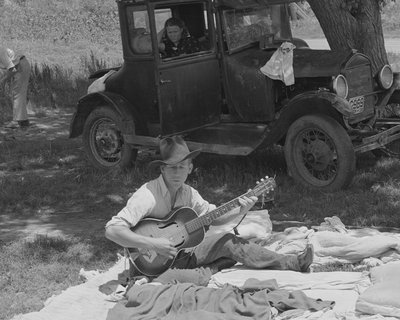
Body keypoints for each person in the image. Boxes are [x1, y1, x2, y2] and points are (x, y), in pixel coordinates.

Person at [105, 135, 314, 283]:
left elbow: (212, 218)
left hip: (183, 254)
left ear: (190, 168)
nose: (177, 172)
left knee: (230, 242)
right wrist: (153, 243)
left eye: (182, 167)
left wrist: (242, 209)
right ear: (162, 168)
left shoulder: (189, 193)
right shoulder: (147, 195)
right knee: (198, 279)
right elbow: (112, 230)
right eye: (171, 167)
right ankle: (209, 269)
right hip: (152, 265)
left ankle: (293, 262)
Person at [0, 46, 30, 128]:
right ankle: (22, 121)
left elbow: (13, 69)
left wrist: (3, 81)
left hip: (21, 66)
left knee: (18, 94)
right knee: (17, 93)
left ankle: (18, 122)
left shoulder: (1, 53)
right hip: (19, 65)